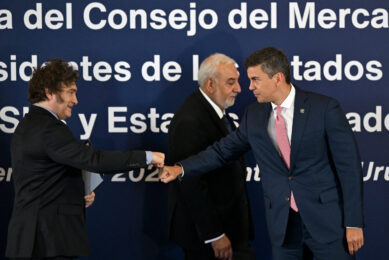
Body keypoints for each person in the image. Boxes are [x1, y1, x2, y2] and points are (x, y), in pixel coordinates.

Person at [160, 47, 364, 260]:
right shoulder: (255, 115)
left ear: (277, 78)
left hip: (327, 223)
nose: (250, 87)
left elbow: (349, 168)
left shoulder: (324, 109)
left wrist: (354, 222)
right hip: (283, 227)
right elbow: (221, 152)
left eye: (255, 79)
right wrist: (181, 168)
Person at [6, 59, 164, 260]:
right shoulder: (49, 129)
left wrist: (77, 192)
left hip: (35, 238)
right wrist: (147, 157)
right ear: (49, 93)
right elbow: (94, 160)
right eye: (71, 92)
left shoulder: (29, 124)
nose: (75, 100)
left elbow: (44, 179)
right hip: (46, 241)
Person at [168, 54, 254, 260]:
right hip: (209, 238)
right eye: (231, 82)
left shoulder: (215, 111)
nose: (239, 89)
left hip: (230, 229)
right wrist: (214, 234)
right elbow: (189, 180)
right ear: (210, 84)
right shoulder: (190, 120)